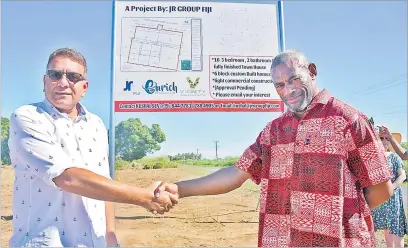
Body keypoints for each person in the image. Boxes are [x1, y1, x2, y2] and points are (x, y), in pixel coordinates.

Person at [155, 50, 395, 247]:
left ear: (312, 71)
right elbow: (236, 173)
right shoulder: (273, 131)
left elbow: (382, 188)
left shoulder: (347, 119)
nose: (287, 90)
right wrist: (179, 188)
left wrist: (337, 219)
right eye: (279, 85)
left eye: (293, 79)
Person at [8, 47, 177, 247]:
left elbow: (103, 182)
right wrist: (144, 197)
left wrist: (110, 235)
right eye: (55, 74)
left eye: (73, 76)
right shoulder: (28, 117)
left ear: (84, 87)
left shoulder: (96, 124)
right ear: (44, 81)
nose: (63, 83)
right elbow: (67, 178)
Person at [371, 127, 408, 247]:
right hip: (378, 199)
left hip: (393, 198)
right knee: (377, 231)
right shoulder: (371, 158)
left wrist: (391, 187)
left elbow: (402, 176)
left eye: (387, 138)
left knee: (395, 230)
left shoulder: (394, 156)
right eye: (381, 138)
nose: (384, 141)